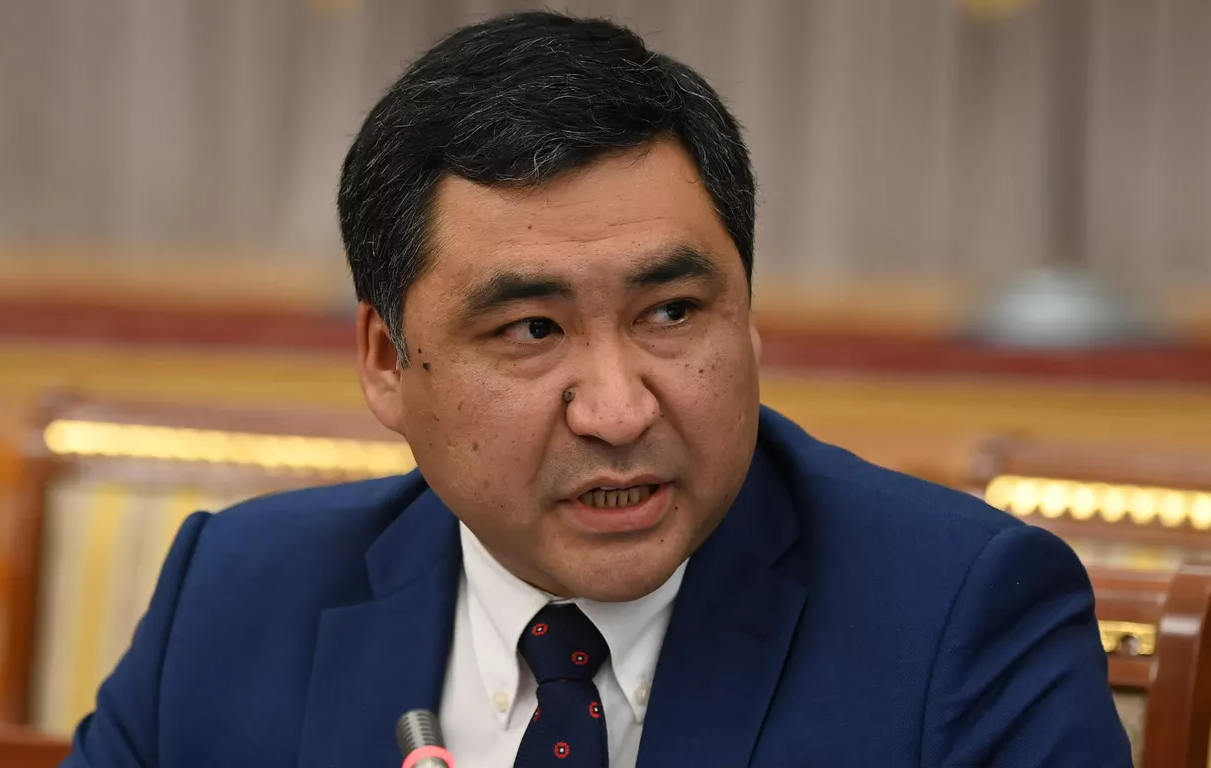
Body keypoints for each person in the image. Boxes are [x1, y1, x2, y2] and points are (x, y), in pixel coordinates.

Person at [63, 11, 1129, 768]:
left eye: (672, 313)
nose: (620, 412)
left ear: (749, 315)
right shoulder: (237, 596)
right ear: (388, 362)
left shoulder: (961, 617)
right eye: (532, 330)